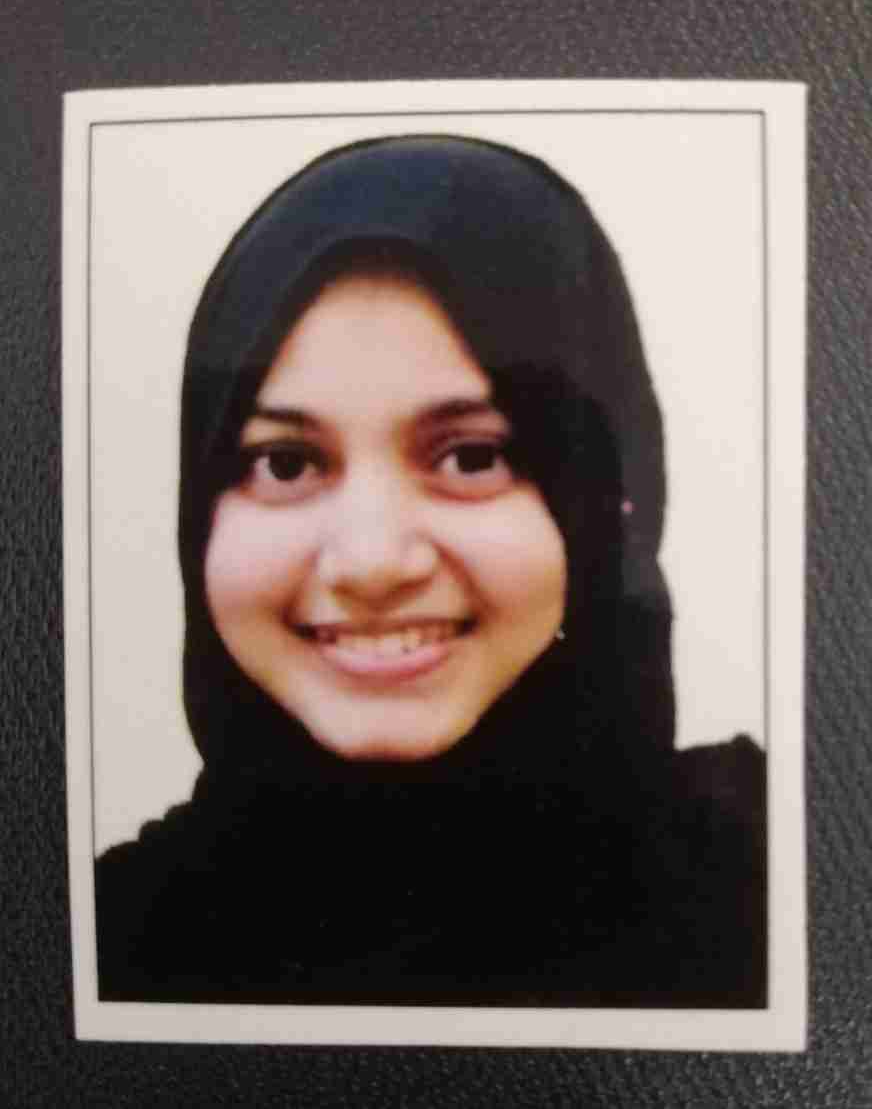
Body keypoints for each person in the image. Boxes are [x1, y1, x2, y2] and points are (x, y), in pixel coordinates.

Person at [95, 135, 766, 1007]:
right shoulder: (82, 954)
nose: (372, 562)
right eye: (286, 463)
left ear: (603, 501)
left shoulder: (784, 897)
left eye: (472, 456)